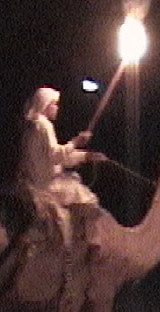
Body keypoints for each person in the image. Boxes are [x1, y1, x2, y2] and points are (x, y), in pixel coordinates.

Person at [17, 86, 107, 250]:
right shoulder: (44, 125)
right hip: (45, 184)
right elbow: (57, 156)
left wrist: (86, 156)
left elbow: (58, 158)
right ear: (45, 105)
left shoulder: (33, 126)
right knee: (88, 200)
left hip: (34, 181)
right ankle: (92, 244)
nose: (57, 108)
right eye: (54, 104)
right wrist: (76, 142)